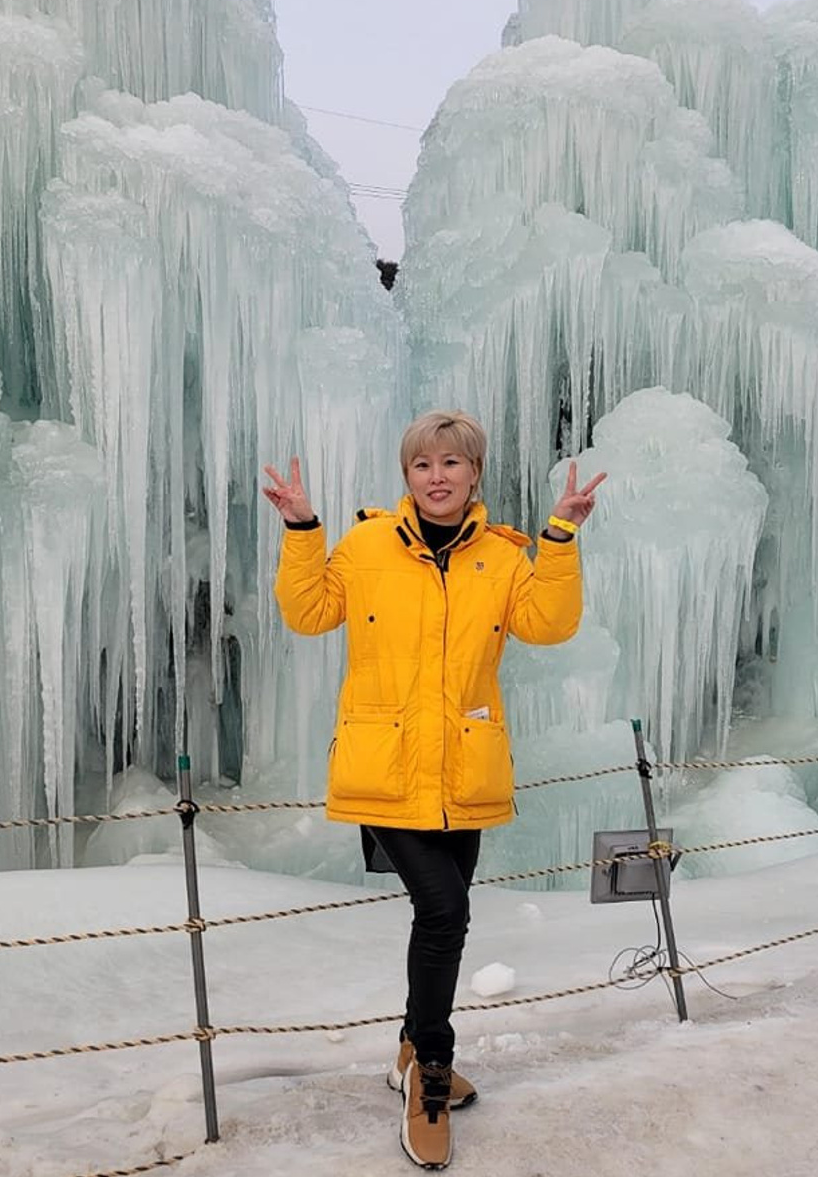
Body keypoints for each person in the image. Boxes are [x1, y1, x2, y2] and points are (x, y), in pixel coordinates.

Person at [263, 410, 604, 1171]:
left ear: (475, 473)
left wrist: (560, 537)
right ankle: (433, 1078)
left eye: (452, 463)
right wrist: (301, 528)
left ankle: (409, 1053)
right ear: (407, 475)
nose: (438, 477)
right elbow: (309, 611)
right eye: (423, 465)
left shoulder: (503, 556)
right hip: (382, 774)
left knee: (440, 924)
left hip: (465, 774)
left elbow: (550, 623)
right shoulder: (366, 545)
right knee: (445, 911)